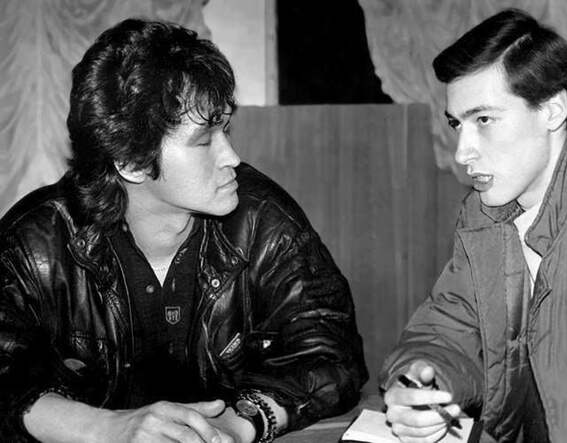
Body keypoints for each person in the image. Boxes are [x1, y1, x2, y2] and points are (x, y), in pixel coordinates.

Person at [0, 18, 368, 443]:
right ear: (132, 162)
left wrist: (240, 423)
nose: (232, 157)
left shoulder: (263, 219)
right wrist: (106, 429)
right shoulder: (37, 242)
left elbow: (332, 355)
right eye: (204, 140)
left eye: (225, 130)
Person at [380, 8, 567, 443]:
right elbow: (449, 327)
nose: (462, 152)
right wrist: (424, 380)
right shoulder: (484, 215)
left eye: (484, 120)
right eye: (457, 124)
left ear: (552, 110)